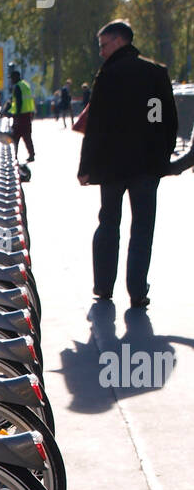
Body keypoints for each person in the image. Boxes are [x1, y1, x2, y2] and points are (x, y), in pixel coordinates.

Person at [77, 19, 177, 307]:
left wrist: (86, 167)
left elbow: (95, 125)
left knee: (108, 223)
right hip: (146, 165)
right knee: (143, 228)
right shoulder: (155, 73)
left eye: (104, 45)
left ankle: (103, 285)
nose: (101, 52)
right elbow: (163, 119)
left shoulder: (108, 75)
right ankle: (137, 290)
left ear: (119, 41)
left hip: (112, 167)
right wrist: (162, 156)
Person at [6, 66, 36, 161]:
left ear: (15, 78)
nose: (11, 81)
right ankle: (31, 154)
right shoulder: (25, 85)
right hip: (27, 114)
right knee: (27, 136)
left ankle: (13, 156)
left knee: (15, 137)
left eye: (11, 78)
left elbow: (18, 102)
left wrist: (15, 115)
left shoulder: (18, 87)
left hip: (20, 116)